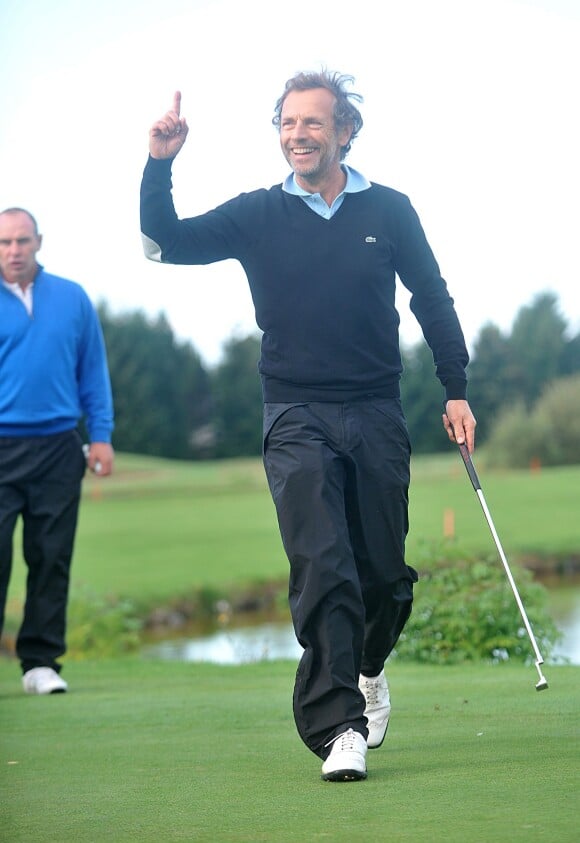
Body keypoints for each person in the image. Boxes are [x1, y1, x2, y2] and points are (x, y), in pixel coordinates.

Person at [140, 71, 476, 781]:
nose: (298, 134)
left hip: (377, 408)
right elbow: (164, 242)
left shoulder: (390, 209)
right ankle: (338, 728)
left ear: (345, 130)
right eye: (288, 123)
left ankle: (369, 667)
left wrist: (456, 389)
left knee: (385, 576)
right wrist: (160, 164)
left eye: (313, 123)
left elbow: (432, 297)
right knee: (323, 564)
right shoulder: (258, 214)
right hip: (294, 410)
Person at [0, 207, 114, 695]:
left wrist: (102, 435)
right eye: (5, 243)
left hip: (58, 446)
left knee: (51, 556)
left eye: (22, 241)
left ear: (38, 242)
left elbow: (93, 372)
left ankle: (39, 664)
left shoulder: (71, 298)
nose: (14, 251)